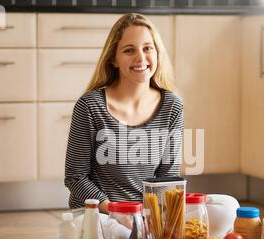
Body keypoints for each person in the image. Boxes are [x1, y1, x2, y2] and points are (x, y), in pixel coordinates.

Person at [65, 13, 184, 214]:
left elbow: (167, 178)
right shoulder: (90, 106)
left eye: (148, 48)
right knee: (119, 235)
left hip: (145, 214)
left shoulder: (172, 106)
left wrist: (153, 219)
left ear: (157, 53)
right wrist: (117, 212)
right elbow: (76, 178)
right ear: (113, 59)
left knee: (225, 206)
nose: (140, 58)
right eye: (129, 50)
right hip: (100, 214)